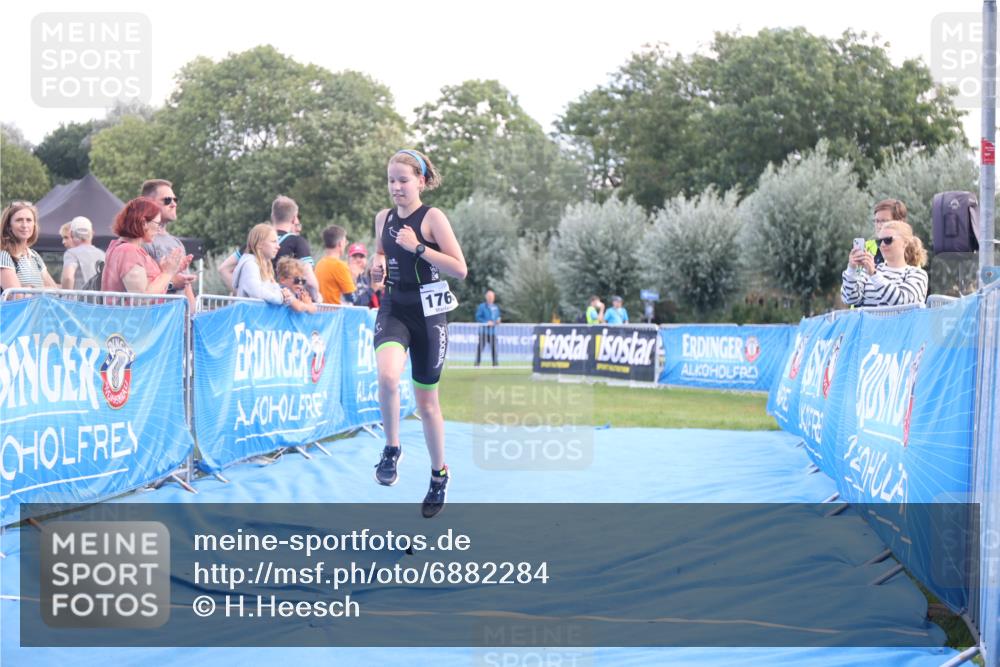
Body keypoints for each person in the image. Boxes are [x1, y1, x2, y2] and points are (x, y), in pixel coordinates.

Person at [370, 149, 467, 518]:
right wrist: (377, 270)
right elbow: (381, 252)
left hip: (429, 313)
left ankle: (439, 474)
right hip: (395, 305)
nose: (396, 187)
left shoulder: (432, 218)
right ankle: (392, 448)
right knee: (388, 375)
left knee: (427, 404)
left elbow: (459, 269)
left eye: (403, 180)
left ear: (421, 182)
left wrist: (420, 248)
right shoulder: (384, 218)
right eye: (391, 180)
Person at [218, 196, 321, 301]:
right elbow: (310, 281)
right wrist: (316, 298)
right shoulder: (298, 242)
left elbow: (223, 269)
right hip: (284, 308)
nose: (277, 246)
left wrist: (241, 293)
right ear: (294, 218)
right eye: (273, 242)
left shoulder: (254, 242)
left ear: (273, 216)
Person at [102, 197, 192, 308]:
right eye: (157, 224)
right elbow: (142, 298)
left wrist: (167, 270)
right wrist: (167, 273)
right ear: (144, 222)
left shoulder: (124, 248)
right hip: (132, 322)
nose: (159, 229)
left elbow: (147, 288)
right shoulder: (129, 251)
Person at [842, 220, 928, 307]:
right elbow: (849, 299)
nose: (882, 245)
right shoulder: (869, 271)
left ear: (905, 243)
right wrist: (851, 270)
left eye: (888, 240)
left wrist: (874, 275)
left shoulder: (918, 274)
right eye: (879, 241)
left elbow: (902, 301)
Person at [140, 179, 196, 299]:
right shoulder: (142, 240)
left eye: (175, 200)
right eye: (167, 200)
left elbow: (186, 287)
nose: (174, 204)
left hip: (178, 315)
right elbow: (141, 290)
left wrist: (192, 315)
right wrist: (172, 284)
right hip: (155, 314)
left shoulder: (177, 243)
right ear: (149, 203)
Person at [0, 201, 58, 294]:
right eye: (19, 220)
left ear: (34, 225)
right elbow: (16, 297)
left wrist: (30, 289)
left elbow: (55, 290)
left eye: (29, 220)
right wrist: (41, 290)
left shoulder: (35, 256)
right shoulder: (4, 256)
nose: (25, 225)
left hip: (38, 309)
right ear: (8, 226)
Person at [232, 223, 286, 305]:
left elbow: (271, 291)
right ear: (259, 244)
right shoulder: (250, 265)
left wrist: (284, 294)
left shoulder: (265, 266)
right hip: (249, 317)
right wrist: (281, 297)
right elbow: (256, 292)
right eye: (273, 242)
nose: (278, 246)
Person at [314, 225, 356, 305]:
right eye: (345, 242)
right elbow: (352, 298)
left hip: (322, 312)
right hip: (336, 313)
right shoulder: (339, 265)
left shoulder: (319, 264)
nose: (345, 245)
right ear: (340, 244)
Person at [61, 216, 106, 290]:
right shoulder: (102, 254)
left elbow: (68, 277)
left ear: (72, 234)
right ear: (92, 233)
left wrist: (66, 297)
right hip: (98, 300)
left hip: (78, 300)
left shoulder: (71, 254)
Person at [868, 199, 908, 266]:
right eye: (877, 221)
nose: (879, 226)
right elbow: (859, 274)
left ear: (899, 223)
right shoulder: (869, 247)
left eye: (884, 221)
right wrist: (853, 268)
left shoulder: (911, 251)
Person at [347, 242, 379, 308]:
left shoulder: (369, 277)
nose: (358, 260)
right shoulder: (345, 276)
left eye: (361, 256)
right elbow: (355, 304)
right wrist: (372, 289)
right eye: (354, 256)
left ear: (366, 260)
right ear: (348, 259)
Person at [474, 289, 501, 367]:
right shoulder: (482, 306)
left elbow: (498, 317)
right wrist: (486, 322)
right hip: (483, 331)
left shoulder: (496, 307)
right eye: (489, 296)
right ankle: (477, 364)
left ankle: (495, 364)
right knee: (480, 348)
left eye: (492, 296)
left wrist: (498, 320)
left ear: (494, 297)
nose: (490, 298)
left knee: (494, 349)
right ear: (486, 297)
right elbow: (478, 317)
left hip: (493, 332)